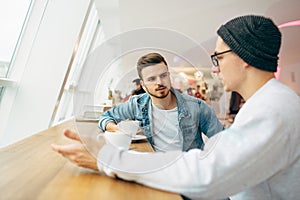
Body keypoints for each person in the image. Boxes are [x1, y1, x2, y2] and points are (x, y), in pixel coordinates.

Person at [52, 15, 300, 199]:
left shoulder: (273, 109)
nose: (215, 68)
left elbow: (205, 173)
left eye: (218, 57)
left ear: (244, 56)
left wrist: (109, 158)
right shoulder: (267, 103)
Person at [99, 53, 223, 152]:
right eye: (152, 79)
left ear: (169, 76)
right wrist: (119, 130)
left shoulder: (197, 106)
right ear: (143, 85)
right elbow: (105, 118)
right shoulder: (137, 104)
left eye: (163, 76)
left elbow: (223, 141)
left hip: (187, 171)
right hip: (153, 167)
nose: (159, 82)